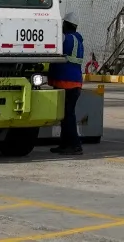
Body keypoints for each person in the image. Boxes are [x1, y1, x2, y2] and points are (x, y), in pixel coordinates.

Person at [52, 19, 85, 155]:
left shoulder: (66, 39)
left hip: (66, 82)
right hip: (76, 82)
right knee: (66, 115)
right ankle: (64, 145)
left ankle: (76, 145)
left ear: (67, 25)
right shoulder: (79, 40)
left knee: (68, 115)